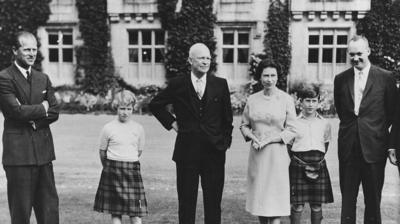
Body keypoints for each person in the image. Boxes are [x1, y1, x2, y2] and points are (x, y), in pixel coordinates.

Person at [149, 43, 233, 224]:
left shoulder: (220, 84)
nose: (206, 61)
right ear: (190, 60)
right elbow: (155, 105)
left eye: (208, 58)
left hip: (214, 153)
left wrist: (224, 143)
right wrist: (172, 123)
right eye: (201, 58)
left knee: (213, 203)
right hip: (187, 153)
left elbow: (228, 120)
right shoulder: (178, 84)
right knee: (186, 203)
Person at [333, 35, 398, 224]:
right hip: (348, 148)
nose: (355, 58)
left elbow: (392, 113)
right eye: (351, 54)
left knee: (373, 201)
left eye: (359, 54)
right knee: (347, 201)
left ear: (368, 51)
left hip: (374, 148)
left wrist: (374, 132)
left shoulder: (385, 78)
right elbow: (342, 111)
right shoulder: (341, 79)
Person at [0, 31, 59, 224]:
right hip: (19, 157)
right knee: (21, 214)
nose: (32, 53)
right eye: (27, 49)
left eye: (34, 49)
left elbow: (55, 110)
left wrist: (33, 118)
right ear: (15, 50)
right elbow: (14, 111)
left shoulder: (43, 78)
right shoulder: (4, 78)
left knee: (49, 213)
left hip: (44, 154)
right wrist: (42, 108)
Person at [239, 60, 296, 224]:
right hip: (258, 155)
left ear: (278, 77)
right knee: (261, 200)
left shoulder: (286, 99)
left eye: (273, 75)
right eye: (266, 76)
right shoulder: (252, 99)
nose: (269, 80)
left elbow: (292, 129)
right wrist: (252, 137)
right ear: (260, 77)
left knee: (275, 202)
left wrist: (270, 140)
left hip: (277, 155)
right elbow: (244, 125)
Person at [94, 90, 148, 224]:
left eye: (129, 109)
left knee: (135, 214)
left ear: (133, 109)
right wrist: (109, 167)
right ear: (116, 108)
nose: (125, 112)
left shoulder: (138, 128)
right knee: (116, 212)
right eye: (122, 108)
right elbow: (102, 152)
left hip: (132, 171)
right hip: (113, 171)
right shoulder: (108, 128)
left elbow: (139, 151)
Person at [289, 83, 334, 224]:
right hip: (298, 164)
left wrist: (316, 160)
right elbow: (288, 146)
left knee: (316, 204)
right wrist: (298, 161)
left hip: (318, 164)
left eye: (314, 101)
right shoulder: (293, 122)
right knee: (297, 204)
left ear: (318, 102)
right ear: (300, 101)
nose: (310, 104)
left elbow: (325, 144)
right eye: (307, 101)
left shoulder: (325, 123)